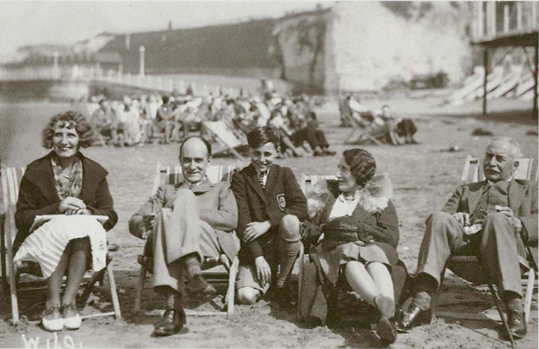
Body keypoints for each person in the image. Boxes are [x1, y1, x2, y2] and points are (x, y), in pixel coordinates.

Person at [395, 137, 537, 340]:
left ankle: (514, 308)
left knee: (497, 219)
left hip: (508, 254)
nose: (492, 163)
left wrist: (518, 223)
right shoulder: (466, 190)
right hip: (466, 254)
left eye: (499, 158)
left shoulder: (530, 189)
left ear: (515, 166)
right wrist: (455, 217)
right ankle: (421, 302)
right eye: (488, 156)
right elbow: (436, 224)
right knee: (439, 217)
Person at [14, 111, 118, 332]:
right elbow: (21, 218)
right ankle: (52, 303)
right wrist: (56, 208)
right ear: (50, 138)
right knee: (61, 228)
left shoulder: (94, 172)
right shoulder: (36, 171)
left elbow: (110, 214)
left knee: (78, 231)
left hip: (81, 245)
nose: (64, 141)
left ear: (81, 138)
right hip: (39, 242)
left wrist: (89, 213)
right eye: (58, 134)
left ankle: (68, 302)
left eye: (70, 134)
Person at [129, 136, 239, 337]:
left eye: (198, 160)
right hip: (169, 246)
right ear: (180, 160)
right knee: (165, 215)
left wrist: (186, 208)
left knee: (179, 202)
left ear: (208, 161)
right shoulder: (166, 190)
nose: (192, 166)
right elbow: (134, 220)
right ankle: (191, 273)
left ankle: (173, 308)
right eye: (187, 160)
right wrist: (145, 222)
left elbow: (231, 220)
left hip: (207, 244)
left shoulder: (221, 188)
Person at [301, 149, 400, 345]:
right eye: (338, 168)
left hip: (369, 250)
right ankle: (380, 304)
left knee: (374, 258)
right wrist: (329, 228)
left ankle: (384, 315)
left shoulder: (378, 200)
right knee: (350, 255)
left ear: (359, 173)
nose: (337, 174)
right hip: (333, 251)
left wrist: (362, 229)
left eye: (344, 169)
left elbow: (391, 237)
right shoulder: (325, 196)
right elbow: (305, 228)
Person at [231, 126, 309, 306]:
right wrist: (257, 257)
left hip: (281, 246)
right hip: (254, 249)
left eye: (267, 154)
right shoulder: (240, 179)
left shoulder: (284, 174)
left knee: (290, 220)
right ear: (249, 151)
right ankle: (267, 279)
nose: (262, 159)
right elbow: (242, 222)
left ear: (278, 152)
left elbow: (302, 207)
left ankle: (283, 282)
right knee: (245, 297)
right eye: (256, 153)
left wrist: (267, 223)